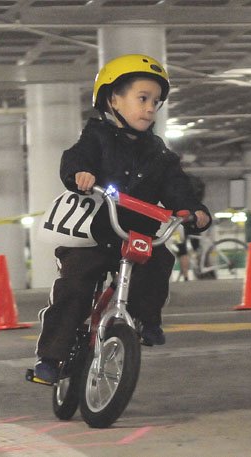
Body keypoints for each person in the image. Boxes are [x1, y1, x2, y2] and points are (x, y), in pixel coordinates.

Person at [34, 54, 211, 384]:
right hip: (96, 233)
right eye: (142, 98)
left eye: (155, 102)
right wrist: (80, 174)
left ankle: (146, 321)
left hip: (137, 233)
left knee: (160, 261)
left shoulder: (159, 152)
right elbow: (76, 158)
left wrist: (193, 211)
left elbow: (177, 187)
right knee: (74, 283)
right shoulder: (96, 137)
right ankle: (50, 357)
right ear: (113, 99)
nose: (150, 108)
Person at [174, 174, 206, 281]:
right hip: (195, 217)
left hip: (181, 220)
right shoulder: (197, 184)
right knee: (196, 245)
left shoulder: (179, 186)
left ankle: (186, 275)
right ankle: (198, 267)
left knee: (181, 249)